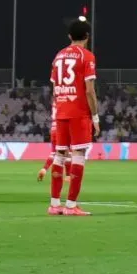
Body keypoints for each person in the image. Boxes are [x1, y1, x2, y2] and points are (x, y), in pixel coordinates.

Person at [47, 19, 100, 216]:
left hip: (61, 111)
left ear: (69, 36)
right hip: (78, 112)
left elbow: (54, 89)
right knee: (78, 155)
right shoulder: (86, 56)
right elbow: (89, 91)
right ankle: (71, 205)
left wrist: (60, 105)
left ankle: (54, 204)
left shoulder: (58, 56)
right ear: (87, 36)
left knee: (60, 155)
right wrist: (95, 117)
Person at [38, 101, 72, 183]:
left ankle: (44, 169)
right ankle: (67, 175)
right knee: (68, 153)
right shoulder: (65, 99)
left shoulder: (55, 101)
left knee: (53, 153)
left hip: (53, 129)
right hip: (62, 128)